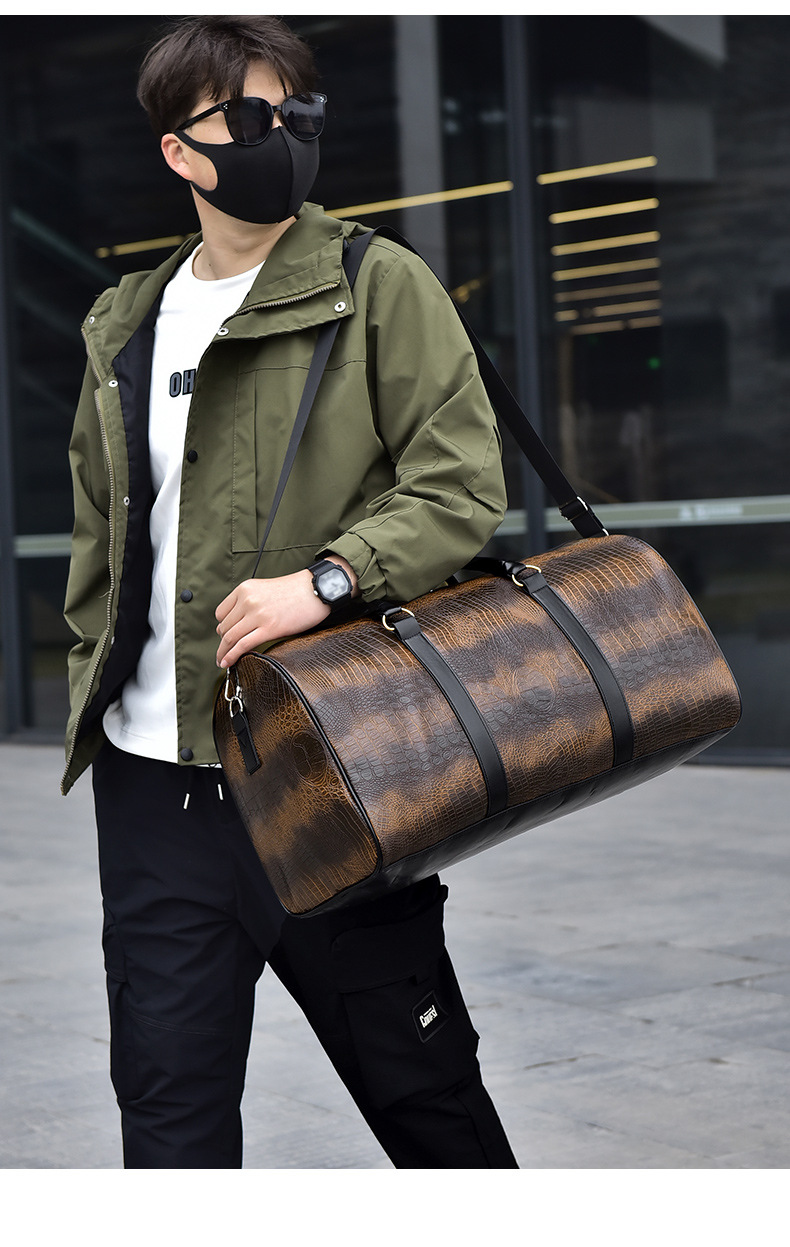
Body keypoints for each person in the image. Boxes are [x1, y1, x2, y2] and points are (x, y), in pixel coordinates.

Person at [62, 15, 517, 1169]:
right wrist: (97, 683)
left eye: (295, 111)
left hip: (332, 770)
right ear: (180, 150)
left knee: (429, 1104)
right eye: (249, 115)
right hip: (156, 791)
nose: (282, 134)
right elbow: (102, 534)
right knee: (168, 1121)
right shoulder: (125, 323)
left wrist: (330, 579)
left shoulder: (378, 284)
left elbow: (461, 484)